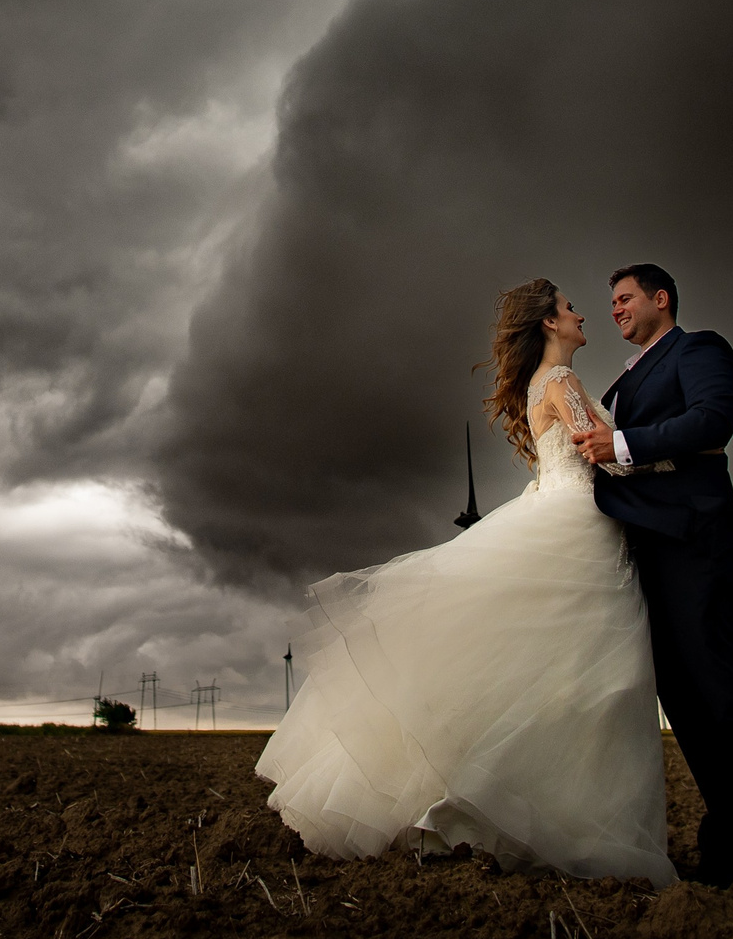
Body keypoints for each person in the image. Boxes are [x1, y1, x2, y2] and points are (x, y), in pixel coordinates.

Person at [255, 278, 673, 885]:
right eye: (569, 308)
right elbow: (600, 451)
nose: (582, 315)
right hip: (578, 530)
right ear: (549, 325)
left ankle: (493, 811)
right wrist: (677, 459)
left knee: (548, 680)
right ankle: (538, 819)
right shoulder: (560, 382)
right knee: (586, 682)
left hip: (556, 513)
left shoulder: (539, 387)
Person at [573, 262, 733, 892]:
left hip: (693, 544)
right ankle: (729, 853)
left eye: (625, 298)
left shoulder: (699, 349)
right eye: (610, 303)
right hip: (646, 552)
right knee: (684, 704)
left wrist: (622, 446)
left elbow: (714, 421)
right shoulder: (624, 379)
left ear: (662, 299)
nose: (615, 310)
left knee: (728, 691)